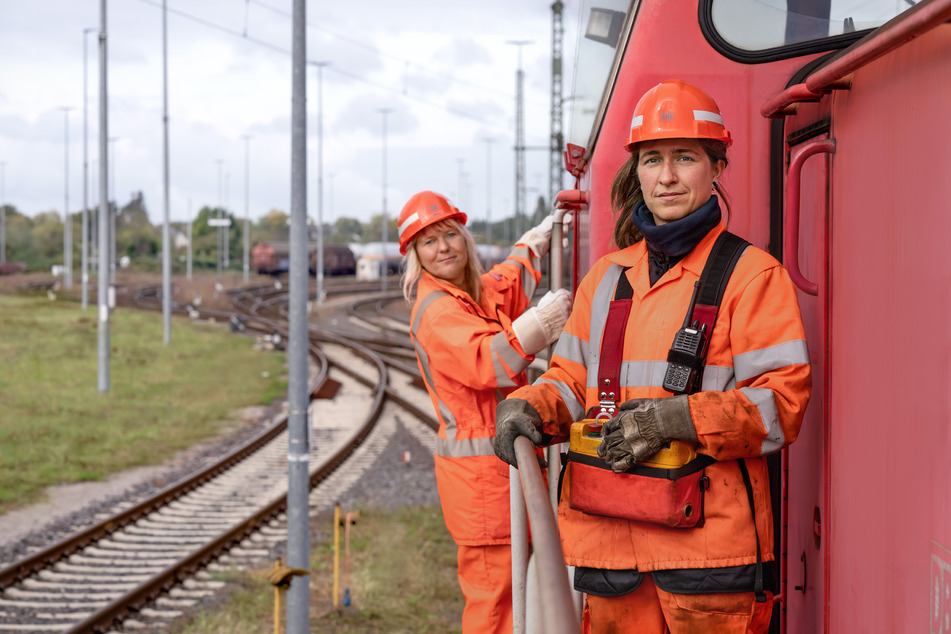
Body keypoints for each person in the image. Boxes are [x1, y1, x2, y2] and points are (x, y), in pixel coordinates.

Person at [494, 79, 812, 633]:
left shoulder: (752, 276)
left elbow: (780, 406)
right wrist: (529, 407)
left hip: (709, 565)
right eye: (652, 160)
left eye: (684, 157)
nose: (666, 176)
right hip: (612, 556)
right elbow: (570, 382)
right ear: (636, 172)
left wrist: (678, 418)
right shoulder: (608, 279)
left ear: (715, 167)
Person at [398, 190, 572, 634]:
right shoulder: (437, 310)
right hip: (481, 489)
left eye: (450, 235)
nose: (444, 249)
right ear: (416, 256)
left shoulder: (470, 293)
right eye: (429, 242)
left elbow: (507, 281)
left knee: (517, 601)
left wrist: (535, 242)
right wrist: (541, 324)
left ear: (464, 238)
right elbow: (489, 360)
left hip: (497, 475)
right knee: (496, 611)